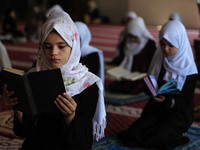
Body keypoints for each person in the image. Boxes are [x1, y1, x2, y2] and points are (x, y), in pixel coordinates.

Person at [1, 10, 106, 150]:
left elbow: (82, 143)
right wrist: (19, 108)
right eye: (47, 47)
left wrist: (70, 117)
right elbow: (26, 132)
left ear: (73, 46)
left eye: (61, 46)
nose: (54, 53)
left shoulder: (86, 84)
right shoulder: (34, 77)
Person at [118, 20, 198, 150]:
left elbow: (186, 100)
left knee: (159, 140)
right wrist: (152, 91)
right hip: (156, 108)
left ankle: (178, 135)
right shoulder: (159, 60)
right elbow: (149, 83)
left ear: (180, 43)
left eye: (170, 45)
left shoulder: (189, 69)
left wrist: (168, 100)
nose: (165, 49)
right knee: (132, 135)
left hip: (178, 112)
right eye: (162, 44)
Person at [108, 17, 157, 94]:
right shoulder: (127, 42)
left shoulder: (150, 44)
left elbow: (153, 63)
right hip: (128, 74)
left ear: (141, 33)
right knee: (114, 86)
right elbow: (122, 58)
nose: (132, 40)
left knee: (135, 88)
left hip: (142, 75)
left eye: (135, 37)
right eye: (130, 36)